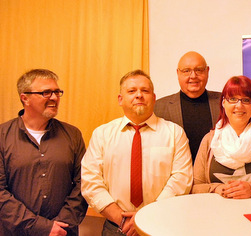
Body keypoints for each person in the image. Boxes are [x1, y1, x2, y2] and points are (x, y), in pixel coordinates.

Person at [81, 70, 193, 236]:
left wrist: (147, 217)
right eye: (132, 91)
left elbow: (181, 179)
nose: (139, 95)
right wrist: (122, 219)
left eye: (145, 91)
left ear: (154, 98)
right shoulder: (102, 134)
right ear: (120, 99)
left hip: (162, 223)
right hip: (117, 226)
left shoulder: (175, 133)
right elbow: (91, 180)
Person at [0, 69, 87, 235]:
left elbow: (83, 184)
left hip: (63, 232)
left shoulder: (73, 135)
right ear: (24, 98)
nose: (54, 98)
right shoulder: (2, 136)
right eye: (46, 92)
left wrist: (60, 226)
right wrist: (42, 228)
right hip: (16, 231)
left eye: (57, 92)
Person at [154, 51, 221, 160]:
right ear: (178, 73)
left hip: (213, 175)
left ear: (207, 71)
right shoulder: (159, 107)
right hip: (176, 175)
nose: (193, 76)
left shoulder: (225, 103)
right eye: (186, 71)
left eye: (199, 70)